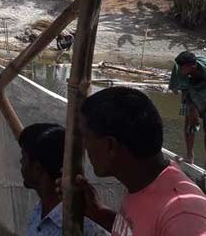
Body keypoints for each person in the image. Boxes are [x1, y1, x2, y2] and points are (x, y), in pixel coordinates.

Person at [74, 86, 206, 234]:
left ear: (110, 146)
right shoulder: (140, 183)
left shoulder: (182, 217)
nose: (84, 146)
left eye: (86, 138)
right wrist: (98, 212)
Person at [18, 123, 108, 235]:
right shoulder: (38, 212)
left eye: (24, 157)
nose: (21, 162)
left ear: (37, 168)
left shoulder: (84, 225)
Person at [169, 51, 206, 163]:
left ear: (193, 67)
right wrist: (192, 108)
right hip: (189, 92)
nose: (179, 71)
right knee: (190, 124)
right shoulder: (179, 69)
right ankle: (189, 156)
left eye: (182, 68)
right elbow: (178, 90)